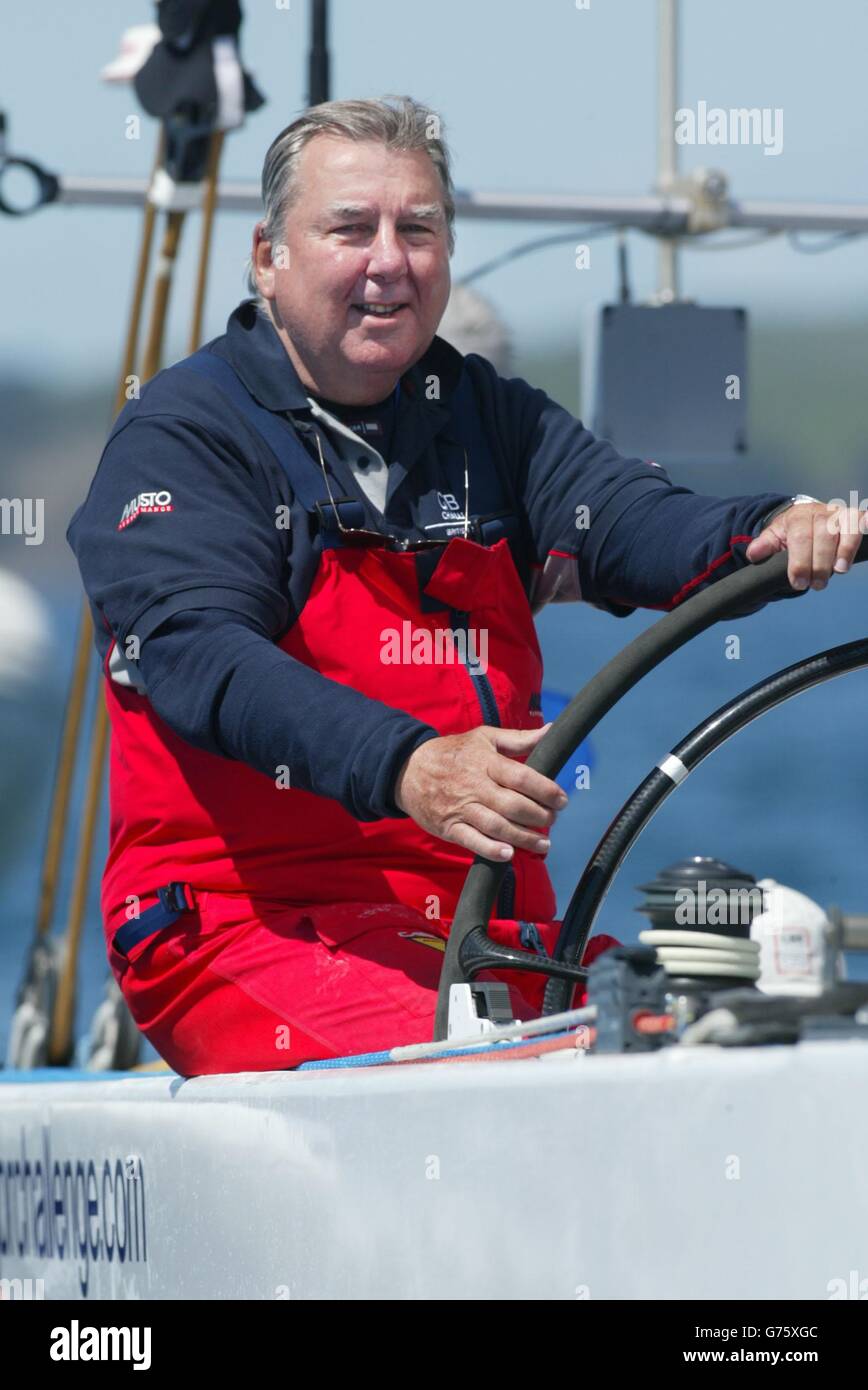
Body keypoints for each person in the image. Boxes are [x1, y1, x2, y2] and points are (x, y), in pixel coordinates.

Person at [67, 96, 864, 1076]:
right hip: (248, 934)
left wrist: (770, 527)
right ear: (268, 256)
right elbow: (198, 657)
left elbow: (628, 518)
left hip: (483, 943)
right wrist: (409, 765)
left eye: (420, 229)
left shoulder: (489, 416)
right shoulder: (183, 438)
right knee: (505, 1073)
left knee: (753, 1037)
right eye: (350, 228)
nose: (389, 259)